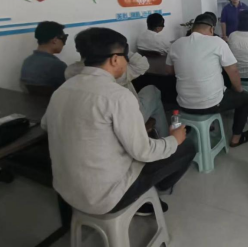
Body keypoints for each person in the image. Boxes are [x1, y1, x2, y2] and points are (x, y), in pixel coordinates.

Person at [41, 28, 195, 216]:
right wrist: (174, 140)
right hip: (105, 197)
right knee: (187, 147)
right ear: (115, 59)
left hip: (65, 191)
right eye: (125, 57)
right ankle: (153, 190)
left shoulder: (63, 89)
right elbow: (143, 152)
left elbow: (45, 125)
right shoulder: (118, 96)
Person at [166, 13, 248, 147]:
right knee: (246, 98)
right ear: (212, 29)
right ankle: (236, 138)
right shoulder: (217, 42)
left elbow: (170, 71)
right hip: (211, 104)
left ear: (192, 28)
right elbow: (233, 71)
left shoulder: (176, 44)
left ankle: (208, 125)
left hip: (183, 104)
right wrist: (239, 90)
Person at [66, 28, 170, 137]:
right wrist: (123, 50)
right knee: (153, 91)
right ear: (115, 58)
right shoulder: (116, 73)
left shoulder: (70, 72)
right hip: (125, 120)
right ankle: (165, 137)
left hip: (91, 120)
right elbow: (143, 65)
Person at [21, 21, 68, 90]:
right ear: (55, 40)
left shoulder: (27, 61)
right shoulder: (58, 65)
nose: (64, 44)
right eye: (64, 39)